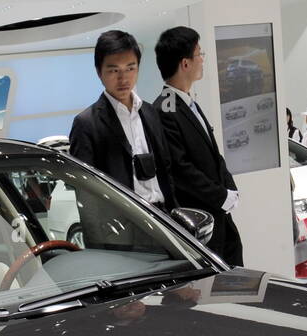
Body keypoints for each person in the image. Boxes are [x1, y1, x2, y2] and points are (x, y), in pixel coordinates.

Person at [153, 26, 242, 265]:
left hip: (219, 213)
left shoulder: (187, 101)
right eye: (199, 54)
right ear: (185, 63)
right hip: (200, 220)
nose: (202, 60)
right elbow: (181, 170)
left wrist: (229, 188)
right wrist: (221, 195)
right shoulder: (166, 107)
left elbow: (212, 153)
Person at [70, 30, 175, 211]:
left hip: (163, 218)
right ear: (99, 72)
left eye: (130, 68)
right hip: (124, 224)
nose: (123, 78)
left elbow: (166, 169)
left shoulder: (150, 112)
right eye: (114, 70)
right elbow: (84, 189)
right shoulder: (86, 123)